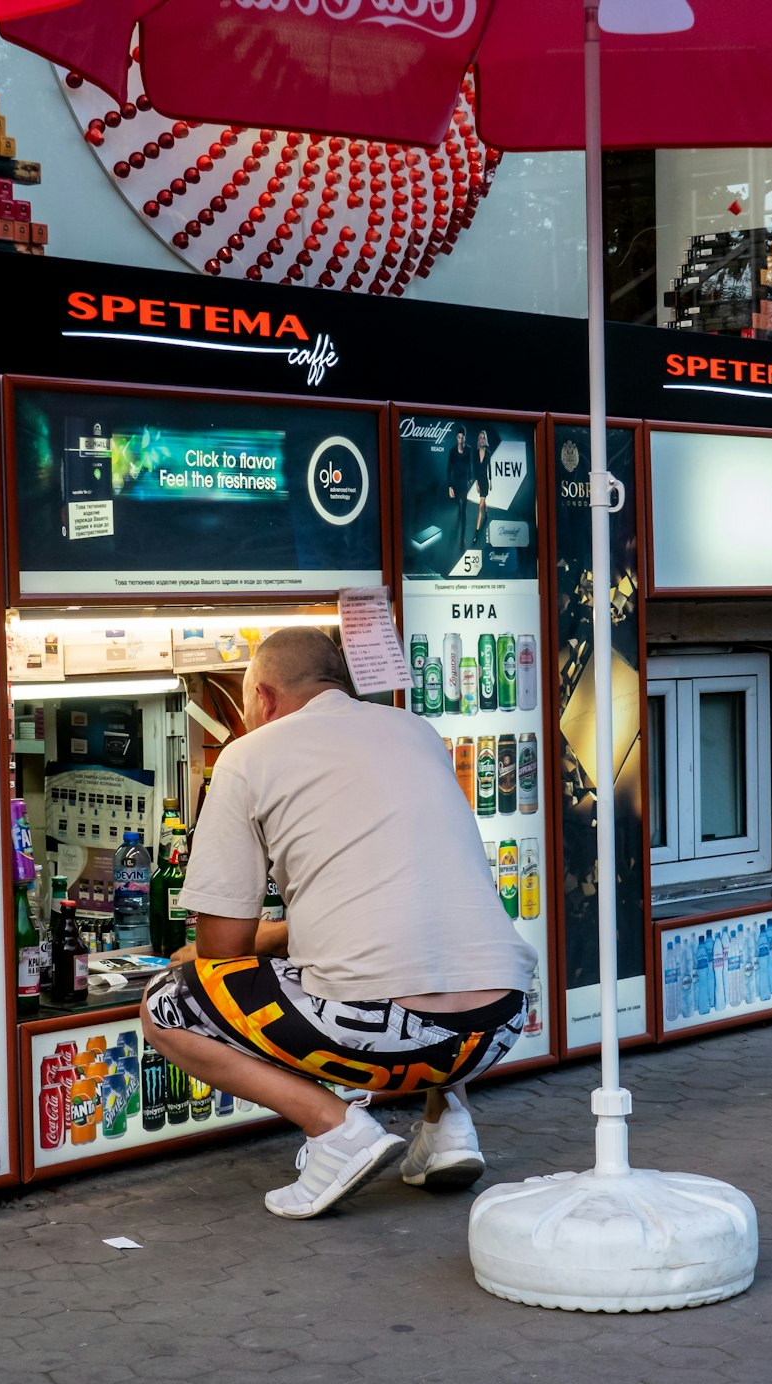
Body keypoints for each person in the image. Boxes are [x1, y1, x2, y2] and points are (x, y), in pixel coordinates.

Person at [141, 626, 536, 1219]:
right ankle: (448, 1127)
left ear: (265, 699)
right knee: (419, 938)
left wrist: (205, 959)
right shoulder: (415, 731)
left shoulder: (247, 757)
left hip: (382, 1033)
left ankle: (337, 1133)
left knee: (168, 1004)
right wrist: (283, 938)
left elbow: (223, 949)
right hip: (499, 1024)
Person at [444, 428, 472, 566]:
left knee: (463, 510)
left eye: (463, 437)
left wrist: (471, 479)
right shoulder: (452, 452)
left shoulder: (469, 450)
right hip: (455, 483)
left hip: (464, 484)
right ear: (457, 438)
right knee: (458, 505)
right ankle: (459, 508)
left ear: (465, 438)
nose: (461, 440)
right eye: (459, 437)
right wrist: (450, 487)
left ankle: (462, 540)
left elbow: (470, 465)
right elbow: (449, 469)